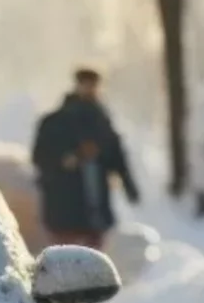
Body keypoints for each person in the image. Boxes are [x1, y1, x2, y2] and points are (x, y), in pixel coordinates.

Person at [30, 68, 139, 250]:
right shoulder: (55, 122)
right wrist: (70, 158)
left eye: (93, 86)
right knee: (65, 259)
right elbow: (41, 157)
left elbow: (117, 157)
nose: (89, 90)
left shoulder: (102, 122)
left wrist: (129, 186)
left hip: (94, 208)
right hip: (64, 207)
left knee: (94, 259)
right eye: (85, 85)